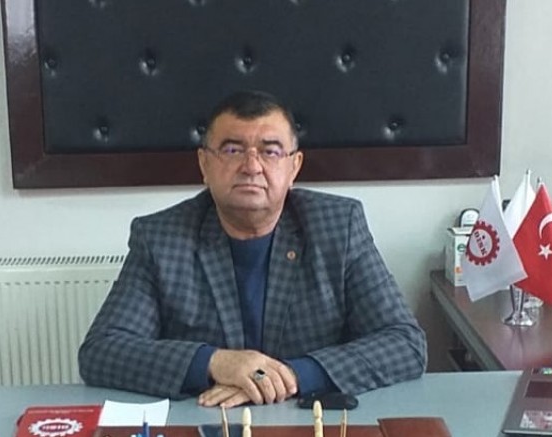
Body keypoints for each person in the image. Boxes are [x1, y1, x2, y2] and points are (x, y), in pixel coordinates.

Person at [78, 90, 427, 408]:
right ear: (204, 164)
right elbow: (102, 351)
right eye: (232, 150)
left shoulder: (338, 227)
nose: (251, 166)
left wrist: (292, 376)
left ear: (294, 167)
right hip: (208, 419)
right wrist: (216, 362)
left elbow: (405, 343)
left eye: (270, 151)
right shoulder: (160, 238)